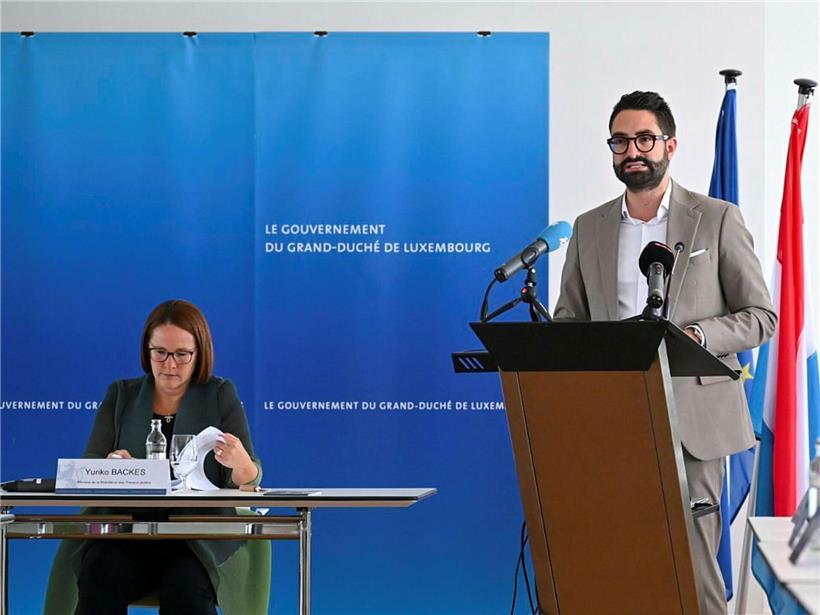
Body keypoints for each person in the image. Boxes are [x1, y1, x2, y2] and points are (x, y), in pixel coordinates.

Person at [553, 91, 776, 614]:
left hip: (693, 422)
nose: (633, 150)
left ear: (670, 146)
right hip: (613, 423)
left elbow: (761, 317)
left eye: (644, 139)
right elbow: (569, 322)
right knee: (617, 561)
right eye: (620, 141)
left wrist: (697, 336)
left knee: (694, 566)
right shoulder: (590, 227)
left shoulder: (717, 218)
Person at [44, 299, 267, 615]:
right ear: (146, 351)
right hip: (127, 536)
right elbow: (90, 462)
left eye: (181, 354)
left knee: (186, 590)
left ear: (199, 353)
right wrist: (111, 464)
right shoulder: (121, 394)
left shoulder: (220, 393)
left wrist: (242, 465)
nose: (170, 364)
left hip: (197, 542)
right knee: (99, 571)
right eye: (159, 352)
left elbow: (249, 474)